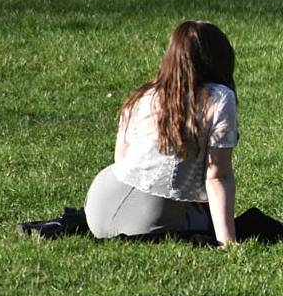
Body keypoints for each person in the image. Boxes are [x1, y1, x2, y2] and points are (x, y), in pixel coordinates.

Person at [83, 20, 239, 246]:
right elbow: (217, 176)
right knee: (202, 220)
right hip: (146, 220)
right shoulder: (219, 98)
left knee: (197, 211)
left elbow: (121, 160)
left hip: (97, 203)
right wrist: (228, 242)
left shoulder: (145, 94)